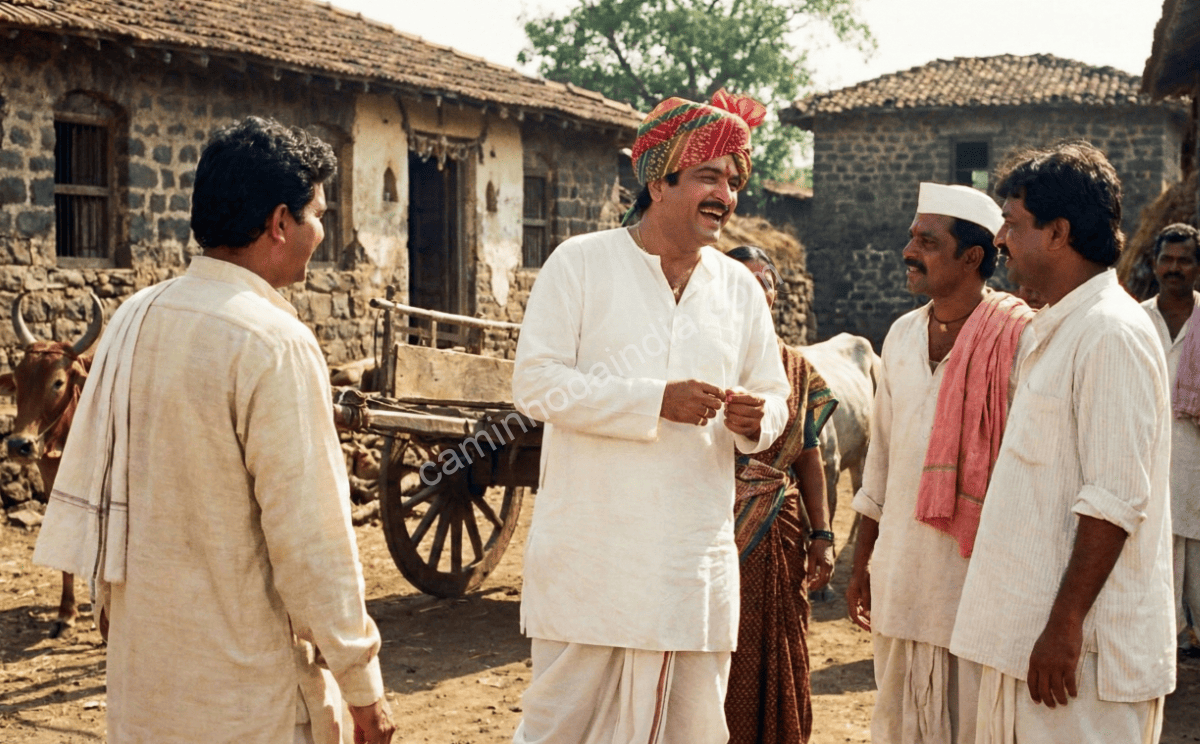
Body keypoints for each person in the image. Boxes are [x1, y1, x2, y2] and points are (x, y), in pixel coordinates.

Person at [32, 116, 394, 744]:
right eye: (317, 214)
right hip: (245, 694)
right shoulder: (275, 341)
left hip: (145, 682)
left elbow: (100, 491)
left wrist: (106, 607)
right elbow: (312, 542)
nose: (322, 231)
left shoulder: (132, 319)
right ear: (280, 223)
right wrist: (363, 688)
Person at [510, 89, 791, 744]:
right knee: (561, 731)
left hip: (689, 570)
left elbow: (774, 396)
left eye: (733, 180)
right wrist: (652, 400)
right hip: (591, 567)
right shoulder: (580, 264)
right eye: (709, 177)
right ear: (659, 180)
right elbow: (536, 384)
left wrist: (757, 418)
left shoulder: (739, 289)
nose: (726, 194)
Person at [950, 142, 1175, 743]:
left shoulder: (1109, 333)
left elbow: (1116, 497)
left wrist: (1065, 624)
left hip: (1083, 661)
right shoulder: (1061, 326)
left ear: (1058, 233)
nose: (1000, 239)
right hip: (1034, 636)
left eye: (1014, 224)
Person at [845, 183, 1033, 744]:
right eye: (911, 237)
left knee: (977, 720)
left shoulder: (1019, 338)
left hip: (976, 572)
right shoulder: (901, 336)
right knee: (899, 720)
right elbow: (878, 460)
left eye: (927, 241)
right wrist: (863, 562)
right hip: (902, 568)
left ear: (972, 257)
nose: (909, 251)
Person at [723, 245, 836, 744]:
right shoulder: (702, 361)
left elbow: (809, 456)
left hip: (783, 530)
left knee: (783, 642)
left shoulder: (795, 369)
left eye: (760, 285)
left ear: (773, 297)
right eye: (738, 284)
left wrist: (822, 534)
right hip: (712, 526)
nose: (751, 295)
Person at [1140, 222, 1200, 659]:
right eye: (1167, 260)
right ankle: (1166, 638)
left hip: (1194, 462)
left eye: (1184, 260)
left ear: (1197, 268)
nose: (1174, 268)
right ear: (1155, 264)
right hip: (1147, 461)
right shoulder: (1137, 321)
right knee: (1154, 551)